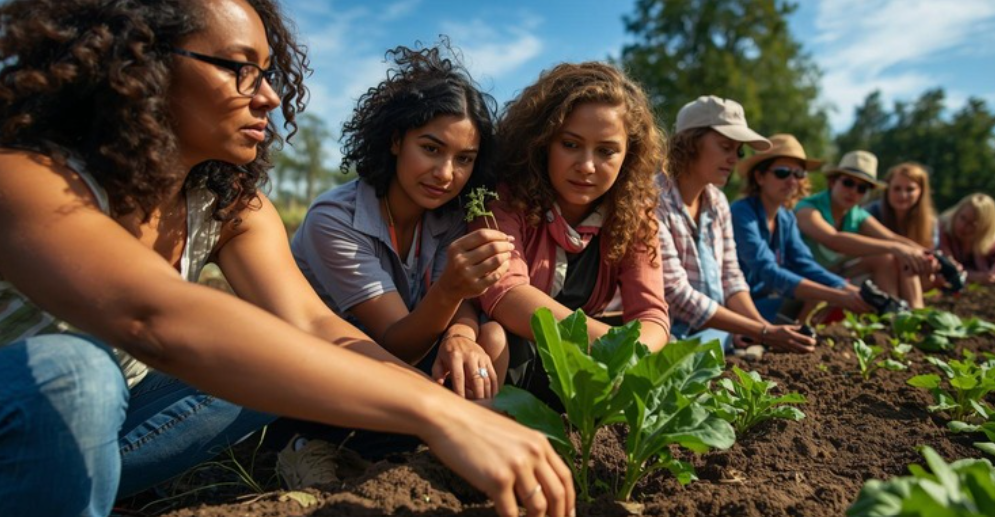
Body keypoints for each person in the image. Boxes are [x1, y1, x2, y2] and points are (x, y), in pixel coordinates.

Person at [0, 2, 574, 517]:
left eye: (268, 72)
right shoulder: (29, 177)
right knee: (73, 374)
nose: (270, 95)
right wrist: (441, 414)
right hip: (35, 406)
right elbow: (152, 318)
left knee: (269, 346)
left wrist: (462, 413)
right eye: (237, 66)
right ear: (139, 64)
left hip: (110, 423)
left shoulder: (228, 204)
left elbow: (313, 327)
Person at [291, 43, 508, 400]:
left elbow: (461, 305)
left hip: (404, 364)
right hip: (330, 374)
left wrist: (459, 337)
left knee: (492, 337)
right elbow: (395, 344)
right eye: (431, 149)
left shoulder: (447, 215)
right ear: (395, 140)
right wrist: (452, 288)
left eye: (464, 159)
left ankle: (460, 433)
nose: (445, 174)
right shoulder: (334, 221)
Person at [471, 62, 670, 404]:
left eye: (606, 151)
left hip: (581, 368)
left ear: (629, 155)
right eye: (571, 144)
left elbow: (652, 315)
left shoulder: (634, 217)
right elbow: (506, 295)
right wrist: (611, 346)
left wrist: (629, 355)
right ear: (543, 142)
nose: (587, 165)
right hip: (509, 362)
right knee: (494, 337)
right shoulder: (502, 198)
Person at [658, 96, 815, 354]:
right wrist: (762, 331)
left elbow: (731, 278)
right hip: (667, 335)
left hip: (713, 332)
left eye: (738, 151)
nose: (734, 159)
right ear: (690, 143)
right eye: (725, 146)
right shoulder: (653, 199)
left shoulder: (718, 202)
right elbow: (675, 293)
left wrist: (761, 328)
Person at [731, 134, 872, 322]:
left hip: (765, 301)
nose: (792, 181)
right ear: (759, 177)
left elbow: (804, 264)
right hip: (736, 306)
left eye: (799, 174)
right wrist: (838, 296)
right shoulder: (741, 213)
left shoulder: (786, 217)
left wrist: (851, 291)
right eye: (782, 172)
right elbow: (767, 271)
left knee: (813, 297)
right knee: (812, 297)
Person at [795, 150, 933, 309]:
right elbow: (834, 240)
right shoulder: (808, 209)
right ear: (833, 182)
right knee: (891, 254)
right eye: (848, 183)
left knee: (887, 259)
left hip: (830, 276)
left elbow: (892, 238)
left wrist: (930, 257)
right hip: (798, 280)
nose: (853, 191)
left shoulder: (857, 214)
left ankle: (902, 314)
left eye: (862, 188)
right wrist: (897, 248)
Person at [938, 193, 995, 284]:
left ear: (984, 227)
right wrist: (974, 276)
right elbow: (948, 266)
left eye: (972, 224)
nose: (963, 226)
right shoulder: (942, 230)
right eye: (962, 218)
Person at [865, 162, 938, 249]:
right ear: (887, 190)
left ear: (921, 192)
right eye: (897, 189)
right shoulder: (870, 213)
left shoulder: (930, 222)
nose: (903, 195)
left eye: (910, 189)